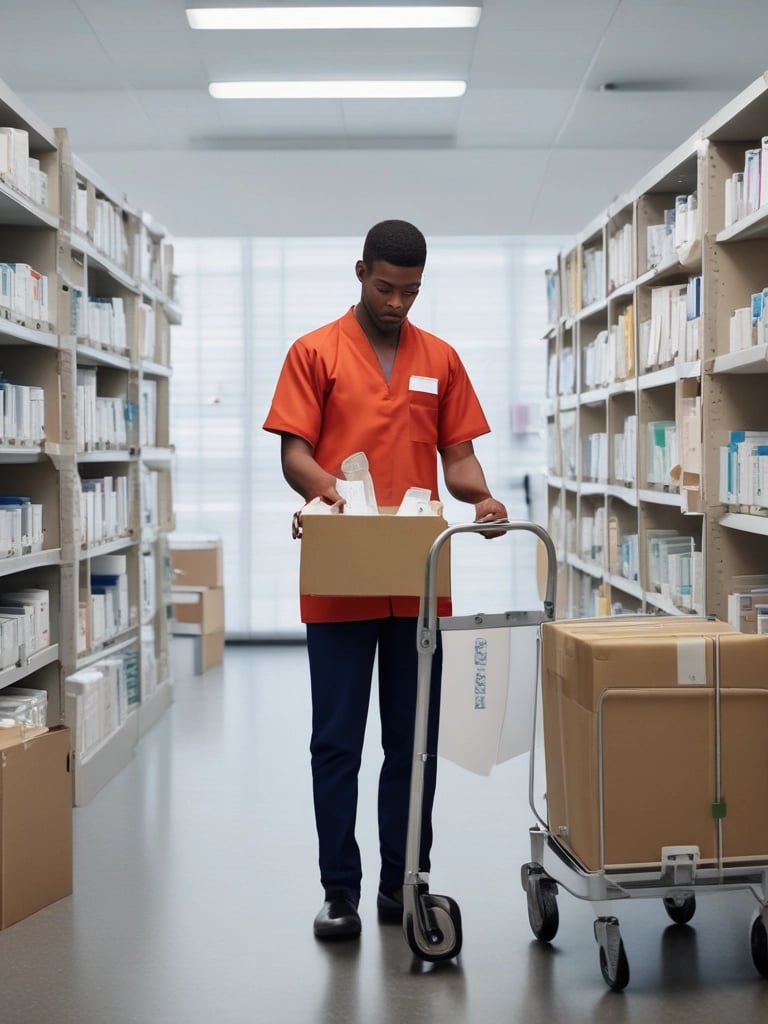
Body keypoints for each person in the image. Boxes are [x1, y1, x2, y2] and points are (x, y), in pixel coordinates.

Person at [262, 220, 508, 940]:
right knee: (337, 740)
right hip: (342, 569)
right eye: (385, 287)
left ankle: (406, 883)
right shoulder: (315, 352)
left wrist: (482, 498)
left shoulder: (443, 359)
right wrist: (331, 492)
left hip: (419, 575)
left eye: (411, 291)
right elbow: (294, 456)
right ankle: (340, 892)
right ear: (361, 270)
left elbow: (457, 458)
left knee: (414, 741)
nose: (398, 302)